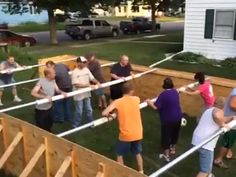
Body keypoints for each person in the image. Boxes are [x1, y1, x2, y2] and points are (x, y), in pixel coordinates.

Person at [102, 83, 144, 174]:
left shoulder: (117, 102)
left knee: (119, 154)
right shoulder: (137, 99)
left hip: (126, 134)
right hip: (138, 132)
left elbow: (104, 113)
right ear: (131, 91)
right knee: (137, 153)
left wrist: (111, 115)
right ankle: (141, 172)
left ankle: (121, 172)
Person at [192, 97, 234, 177]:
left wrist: (231, 118)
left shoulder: (209, 110)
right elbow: (218, 116)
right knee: (204, 171)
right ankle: (207, 174)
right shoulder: (217, 111)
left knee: (207, 164)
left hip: (198, 140)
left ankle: (209, 174)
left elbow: (222, 118)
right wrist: (223, 125)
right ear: (223, 106)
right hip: (205, 143)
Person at [146, 78, 183, 162]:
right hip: (178, 117)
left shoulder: (163, 95)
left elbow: (156, 107)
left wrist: (149, 102)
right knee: (175, 133)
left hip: (168, 120)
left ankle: (166, 155)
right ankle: (173, 149)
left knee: (166, 136)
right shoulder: (175, 92)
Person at [71, 56, 100, 128]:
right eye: (83, 62)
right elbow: (76, 85)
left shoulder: (86, 69)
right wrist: (88, 85)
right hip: (78, 95)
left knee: (89, 110)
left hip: (86, 94)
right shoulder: (75, 72)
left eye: (85, 62)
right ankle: (75, 125)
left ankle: (90, 123)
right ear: (78, 63)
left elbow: (92, 78)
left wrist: (97, 82)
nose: (85, 64)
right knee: (79, 111)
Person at [214, 88, 236, 168]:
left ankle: (227, 153)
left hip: (231, 119)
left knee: (229, 140)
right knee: (227, 142)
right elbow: (233, 105)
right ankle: (218, 160)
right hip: (231, 121)